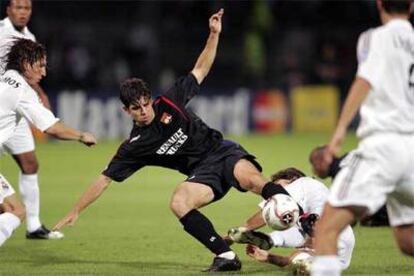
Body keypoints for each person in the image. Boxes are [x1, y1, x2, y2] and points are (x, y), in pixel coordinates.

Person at [53, 9, 294, 272]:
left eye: (145, 104)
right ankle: (225, 256)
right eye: (136, 108)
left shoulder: (170, 101)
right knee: (179, 201)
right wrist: (76, 210)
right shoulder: (135, 146)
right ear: (126, 111)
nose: (144, 111)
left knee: (252, 181)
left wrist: (213, 34)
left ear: (150, 99)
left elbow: (200, 69)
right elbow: (105, 178)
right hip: (203, 174)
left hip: (224, 152)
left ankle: (296, 211)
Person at [312, 1, 414, 275]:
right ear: (412, 6)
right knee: (407, 239)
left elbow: (364, 80)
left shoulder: (376, 38)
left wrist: (338, 134)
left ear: (380, 4)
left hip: (383, 147)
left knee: (326, 229)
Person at [0, 38, 97, 247]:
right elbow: (52, 128)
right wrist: (81, 136)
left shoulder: (5, 78)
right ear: (26, 63)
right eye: (40, 66)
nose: (44, 72)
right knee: (16, 211)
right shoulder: (23, 91)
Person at [0, 0, 59, 239]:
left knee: (30, 163)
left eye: (27, 8)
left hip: (19, 109)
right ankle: (13, 214)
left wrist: (41, 94)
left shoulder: (29, 36)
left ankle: (33, 225)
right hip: (4, 105)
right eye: (18, 7)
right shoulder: (2, 32)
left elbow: (30, 76)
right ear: (8, 10)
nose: (23, 12)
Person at [226, 168, 354, 272]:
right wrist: (269, 258)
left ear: (291, 180)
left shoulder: (303, 183)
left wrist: (239, 232)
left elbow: (270, 211)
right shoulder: (303, 209)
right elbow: (289, 261)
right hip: (340, 248)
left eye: (277, 186)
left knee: (304, 226)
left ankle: (272, 239)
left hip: (326, 230)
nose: (274, 193)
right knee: (298, 261)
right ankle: (271, 240)